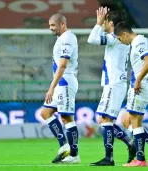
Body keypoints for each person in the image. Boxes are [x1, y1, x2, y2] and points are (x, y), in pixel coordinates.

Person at [88, 7, 136, 166]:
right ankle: (130, 144)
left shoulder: (115, 38)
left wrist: (97, 24)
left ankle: (111, 157)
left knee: (105, 120)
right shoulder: (119, 38)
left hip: (114, 84)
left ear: (111, 23)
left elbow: (92, 40)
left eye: (105, 21)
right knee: (104, 120)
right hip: (116, 84)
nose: (102, 23)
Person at [41, 13, 80, 164]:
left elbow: (63, 65)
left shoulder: (68, 38)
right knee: (45, 112)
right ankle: (64, 146)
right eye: (50, 25)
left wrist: (51, 87)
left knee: (66, 118)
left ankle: (74, 155)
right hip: (60, 83)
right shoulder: (60, 39)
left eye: (53, 25)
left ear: (62, 24)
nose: (51, 28)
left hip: (66, 82)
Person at [114, 21, 148, 167]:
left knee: (135, 120)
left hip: (141, 85)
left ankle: (140, 159)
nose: (121, 42)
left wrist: (138, 80)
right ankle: (140, 157)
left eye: (120, 39)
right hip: (138, 85)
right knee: (126, 119)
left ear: (125, 34)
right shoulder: (137, 42)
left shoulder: (139, 41)